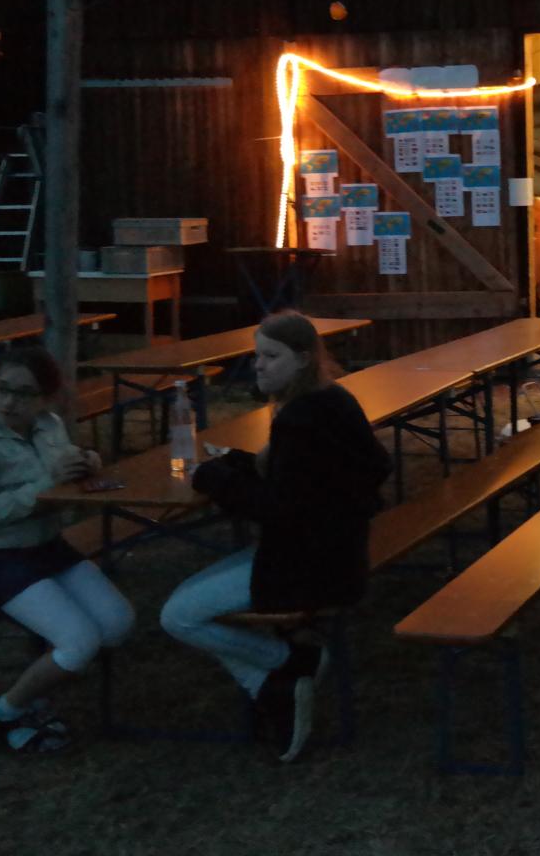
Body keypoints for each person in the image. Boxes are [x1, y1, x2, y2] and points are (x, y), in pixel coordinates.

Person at [163, 312, 390, 762]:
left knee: (177, 615)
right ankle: (282, 682)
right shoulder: (334, 400)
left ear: (303, 359)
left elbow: (277, 508)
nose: (259, 366)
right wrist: (240, 465)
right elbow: (315, 478)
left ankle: (285, 667)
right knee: (189, 599)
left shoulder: (300, 418)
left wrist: (213, 477)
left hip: (307, 566)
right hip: (340, 553)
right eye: (257, 356)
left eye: (271, 356)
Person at [0, 347, 134, 754]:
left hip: (46, 545)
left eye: (23, 393)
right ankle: (5, 714)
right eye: (1, 389)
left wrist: (86, 461)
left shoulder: (49, 425)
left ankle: (43, 680)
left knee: (118, 622)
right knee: (79, 641)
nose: (8, 402)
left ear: (46, 399)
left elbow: (63, 469)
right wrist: (46, 486)